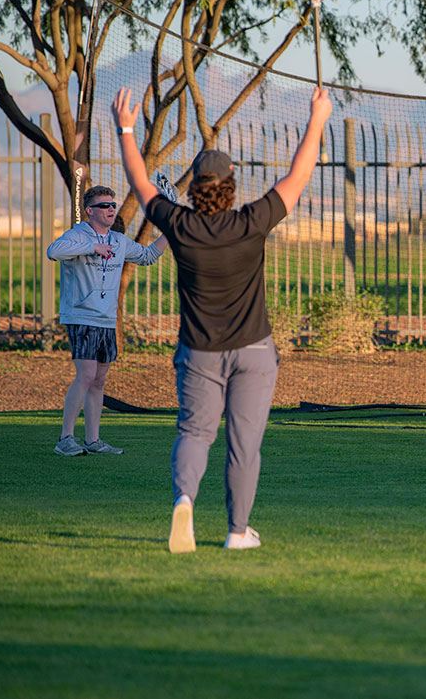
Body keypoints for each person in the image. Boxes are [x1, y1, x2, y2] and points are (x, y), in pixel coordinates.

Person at [112, 84, 332, 552]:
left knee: (195, 433)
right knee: (243, 444)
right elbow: (298, 175)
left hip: (198, 353)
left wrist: (126, 129)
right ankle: (237, 532)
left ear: (194, 190)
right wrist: (318, 118)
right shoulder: (252, 221)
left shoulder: (180, 225)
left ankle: (185, 499)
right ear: (232, 186)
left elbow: (140, 184)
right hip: (254, 351)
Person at [46, 185, 168, 456]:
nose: (111, 209)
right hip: (81, 314)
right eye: (104, 206)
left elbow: (148, 256)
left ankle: (93, 440)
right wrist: (92, 247)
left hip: (106, 319)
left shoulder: (119, 241)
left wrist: (169, 228)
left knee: (99, 380)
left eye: (112, 205)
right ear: (90, 211)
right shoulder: (77, 235)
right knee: (87, 375)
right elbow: (53, 252)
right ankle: (65, 439)